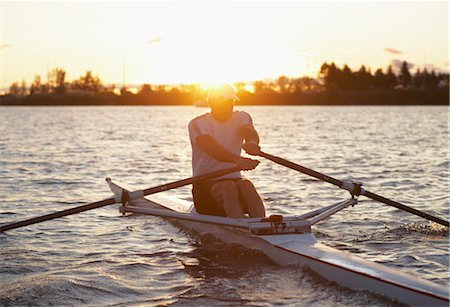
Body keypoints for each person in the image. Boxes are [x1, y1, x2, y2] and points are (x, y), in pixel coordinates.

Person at [188, 84, 266, 218]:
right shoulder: (197, 123)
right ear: (211, 103)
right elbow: (211, 148)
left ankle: (263, 226)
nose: (228, 107)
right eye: (223, 103)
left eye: (231, 103)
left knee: (247, 185)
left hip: (234, 182)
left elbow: (248, 131)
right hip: (204, 186)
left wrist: (252, 143)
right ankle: (240, 229)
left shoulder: (241, 117)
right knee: (227, 187)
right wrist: (238, 160)